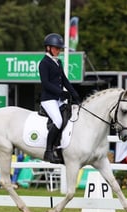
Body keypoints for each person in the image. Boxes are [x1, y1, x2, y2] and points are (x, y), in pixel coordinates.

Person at [39, 33, 80, 163]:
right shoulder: (44, 63)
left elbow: (64, 80)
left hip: (58, 99)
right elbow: (45, 83)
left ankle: (61, 147)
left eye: (59, 48)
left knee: (69, 117)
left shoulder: (58, 62)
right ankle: (49, 151)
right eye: (56, 48)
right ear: (48, 48)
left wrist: (74, 93)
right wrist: (61, 93)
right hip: (48, 99)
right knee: (58, 120)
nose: (58, 51)